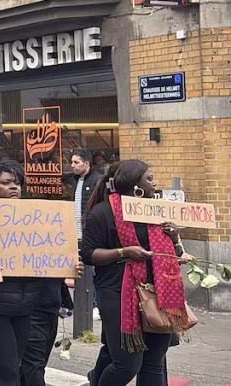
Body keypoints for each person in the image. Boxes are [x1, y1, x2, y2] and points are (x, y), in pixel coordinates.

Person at [0, 161, 83, 385]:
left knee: (3, 371)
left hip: (24, 308)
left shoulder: (34, 218)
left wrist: (67, 266)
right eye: (6, 183)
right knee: (6, 373)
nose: (13, 188)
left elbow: (45, 258)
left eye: (17, 183)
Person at [81, 160, 184, 386]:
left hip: (157, 293)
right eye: (149, 179)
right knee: (127, 364)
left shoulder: (156, 211)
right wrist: (123, 252)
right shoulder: (103, 212)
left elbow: (172, 255)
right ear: (133, 183)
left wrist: (174, 238)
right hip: (116, 292)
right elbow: (88, 254)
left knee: (154, 362)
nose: (154, 183)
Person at [71, 149, 102, 240]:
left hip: (91, 232)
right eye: (72, 162)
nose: (72, 165)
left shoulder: (98, 180)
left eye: (76, 162)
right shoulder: (76, 180)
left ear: (86, 164)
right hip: (76, 232)